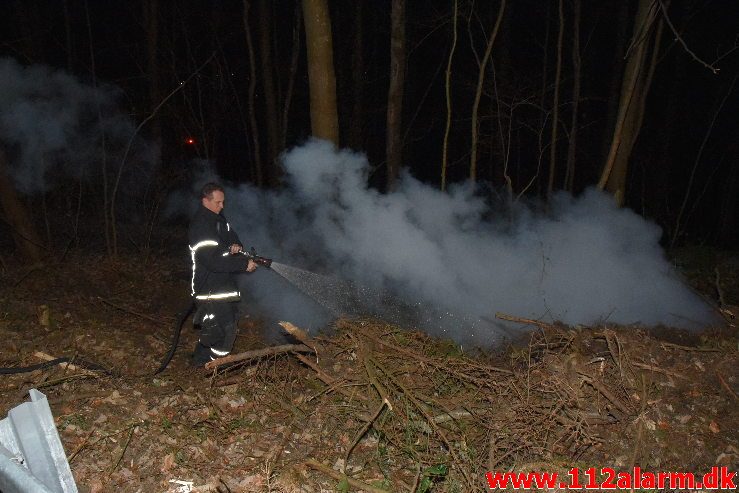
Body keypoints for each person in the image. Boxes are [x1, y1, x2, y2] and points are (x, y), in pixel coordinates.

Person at [188, 182, 257, 367]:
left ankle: (199, 364)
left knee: (214, 330)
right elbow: (213, 261)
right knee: (225, 331)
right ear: (205, 201)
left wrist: (236, 246)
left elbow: (232, 237)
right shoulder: (201, 226)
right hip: (209, 290)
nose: (222, 206)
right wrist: (243, 264)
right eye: (218, 202)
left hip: (223, 287)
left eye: (223, 202)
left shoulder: (219, 221)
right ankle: (215, 368)